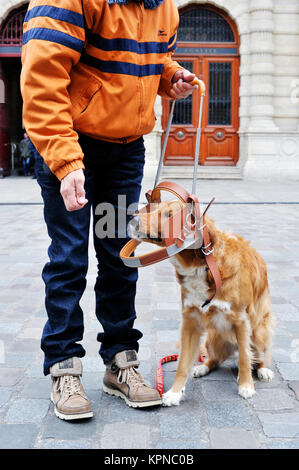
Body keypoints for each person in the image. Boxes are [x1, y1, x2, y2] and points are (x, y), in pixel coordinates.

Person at [21, 0, 197, 421]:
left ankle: (121, 360)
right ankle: (63, 365)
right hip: (72, 145)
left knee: (121, 256)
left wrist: (169, 76)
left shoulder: (163, 7)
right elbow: (42, 80)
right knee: (68, 257)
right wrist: (65, 163)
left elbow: (150, 58)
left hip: (124, 154)